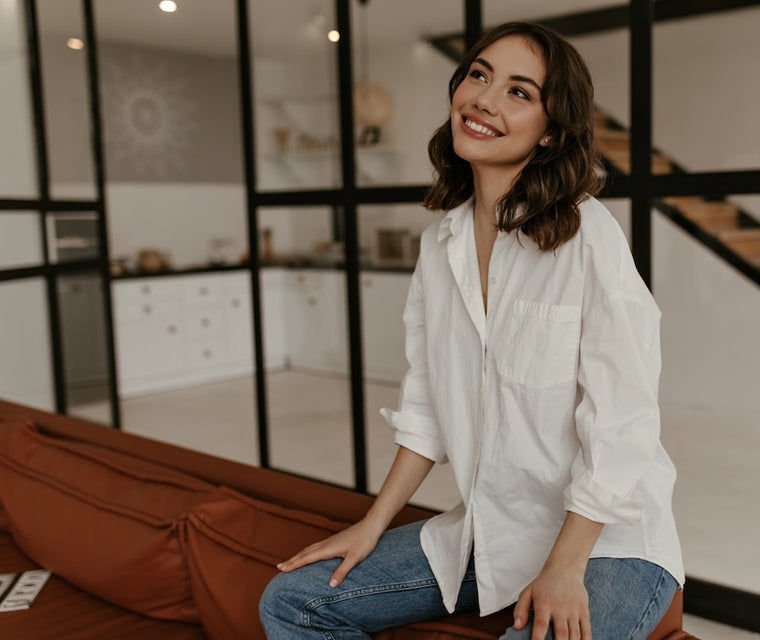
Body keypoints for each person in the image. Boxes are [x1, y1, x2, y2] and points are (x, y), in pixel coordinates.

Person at [259, 21, 684, 640]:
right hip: (492, 527)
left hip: (606, 539)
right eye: (479, 75)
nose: (484, 99)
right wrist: (372, 524)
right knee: (290, 601)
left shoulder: (587, 233)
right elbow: (428, 402)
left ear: (549, 132)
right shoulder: (441, 245)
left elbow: (623, 419)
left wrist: (565, 568)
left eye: (519, 91)